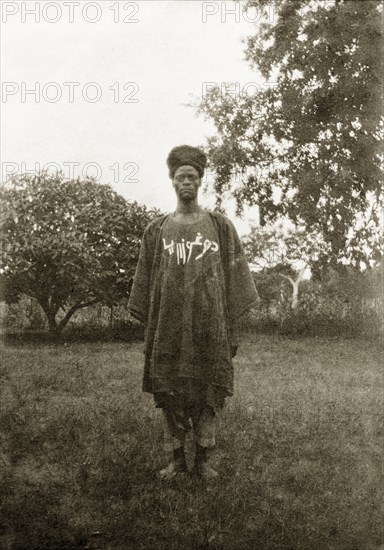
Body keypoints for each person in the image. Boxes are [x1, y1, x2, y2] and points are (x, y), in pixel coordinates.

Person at [128, 145, 259, 480]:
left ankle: (201, 461)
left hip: (209, 326)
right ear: (172, 181)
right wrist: (151, 323)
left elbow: (235, 277)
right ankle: (176, 461)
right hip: (168, 326)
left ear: (201, 181)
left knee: (208, 390)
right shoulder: (156, 230)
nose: (186, 182)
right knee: (168, 392)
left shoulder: (221, 226)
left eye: (192, 176)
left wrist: (229, 324)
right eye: (180, 176)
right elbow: (145, 280)